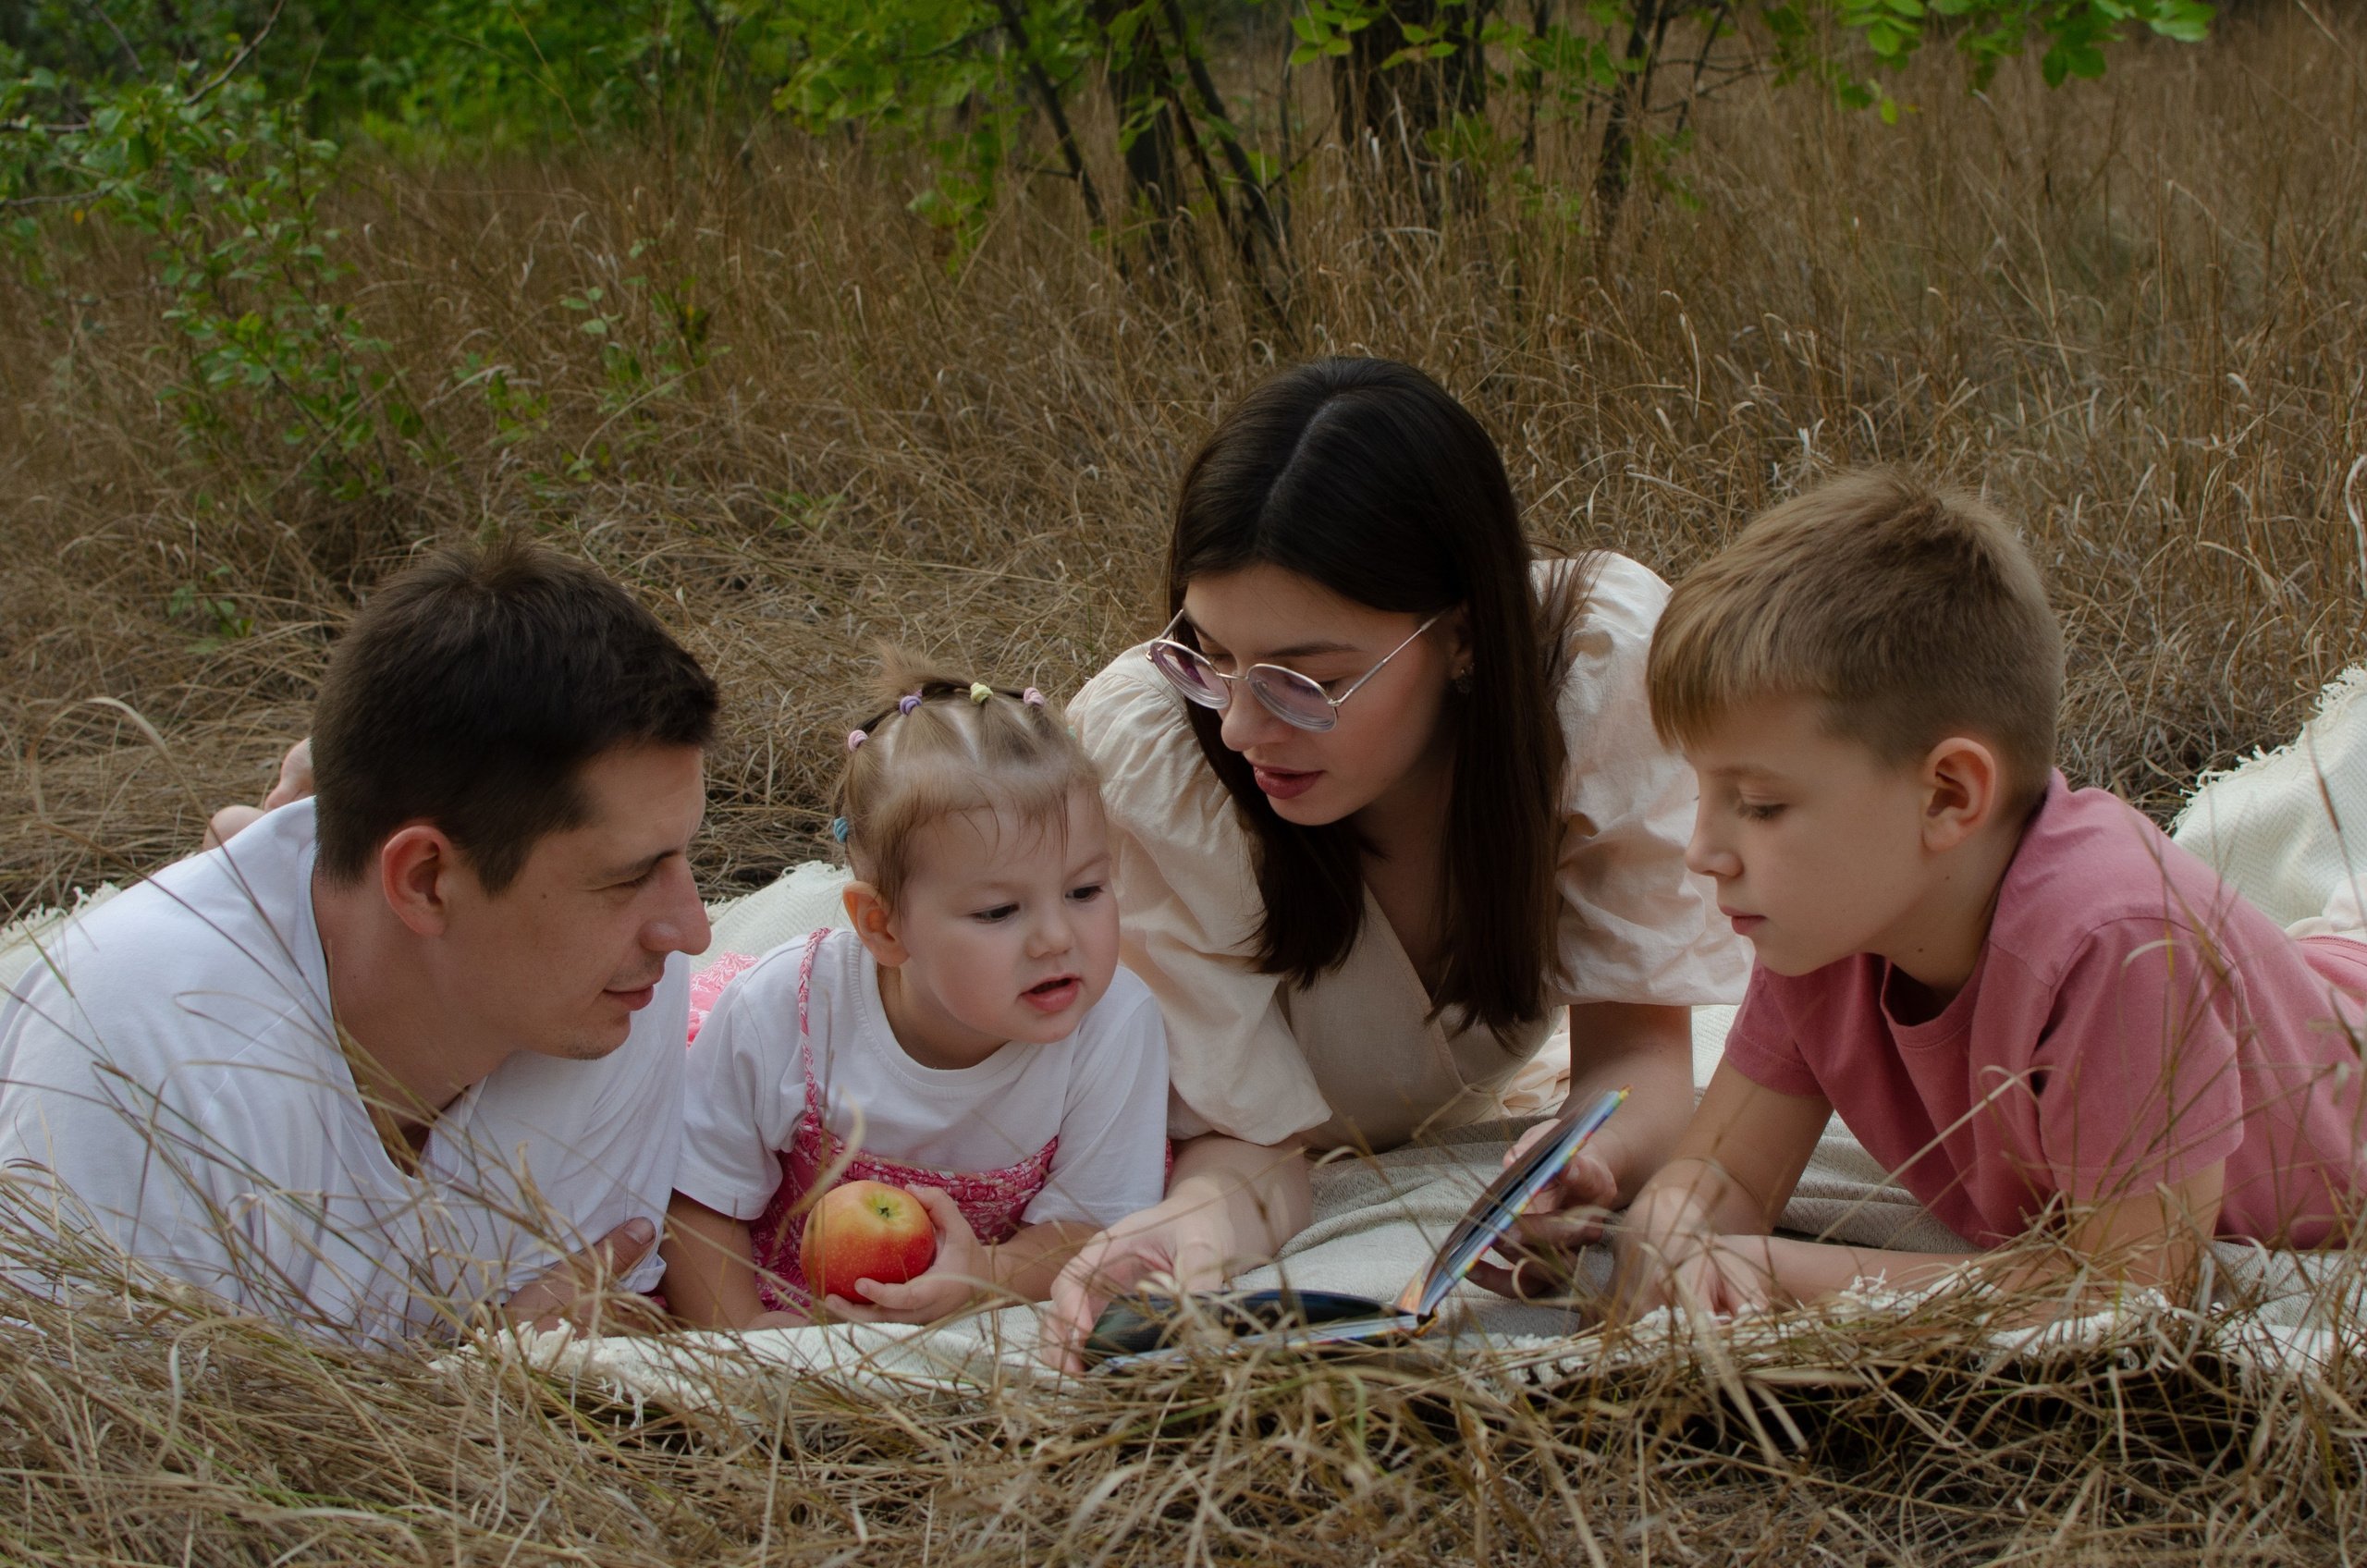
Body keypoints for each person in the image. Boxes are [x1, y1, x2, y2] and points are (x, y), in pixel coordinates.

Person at [1042, 357, 1749, 1366]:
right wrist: (1184, 1235)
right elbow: (1247, 1144)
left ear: (1462, 636)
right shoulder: (1158, 761)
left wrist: (1591, 1164)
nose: (1241, 726)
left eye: (1306, 679)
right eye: (1211, 656)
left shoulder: (1591, 682)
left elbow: (1635, 1058)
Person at [1604, 469, 2366, 1317]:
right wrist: (1665, 1234)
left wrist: (1784, 1275)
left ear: (1948, 796)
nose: (1704, 851)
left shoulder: (2119, 945)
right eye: (1703, 794)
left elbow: (2126, 1294)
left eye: (1760, 805)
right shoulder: (1828, 920)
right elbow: (1725, 1178)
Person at [0, 540, 719, 1341]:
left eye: (683, 855)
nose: (690, 931)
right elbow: (95, 1455)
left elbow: (590, 1323)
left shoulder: (614, 998)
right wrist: (472, 1384)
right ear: (422, 880)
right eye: (627, 876)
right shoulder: (141, 1067)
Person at [659, 658, 1170, 1329]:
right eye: (998, 912)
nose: (1055, 938)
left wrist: (986, 1274)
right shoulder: (788, 1011)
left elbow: (1091, 1227)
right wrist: (740, 1333)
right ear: (883, 926)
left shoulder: (1114, 1027)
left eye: (1084, 891)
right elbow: (700, 1201)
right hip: (782, 1299)